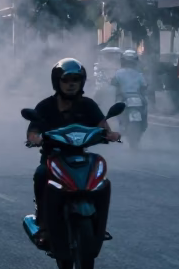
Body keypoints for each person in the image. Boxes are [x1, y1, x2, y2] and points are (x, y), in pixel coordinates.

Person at [26, 58, 120, 235]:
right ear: (57, 82)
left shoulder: (88, 105)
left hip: (81, 157)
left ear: (82, 82)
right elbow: (33, 131)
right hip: (53, 157)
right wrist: (35, 138)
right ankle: (43, 222)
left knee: (103, 182)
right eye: (66, 80)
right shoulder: (45, 106)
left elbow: (103, 127)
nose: (71, 84)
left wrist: (111, 135)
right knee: (40, 174)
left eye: (75, 80)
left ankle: (99, 224)